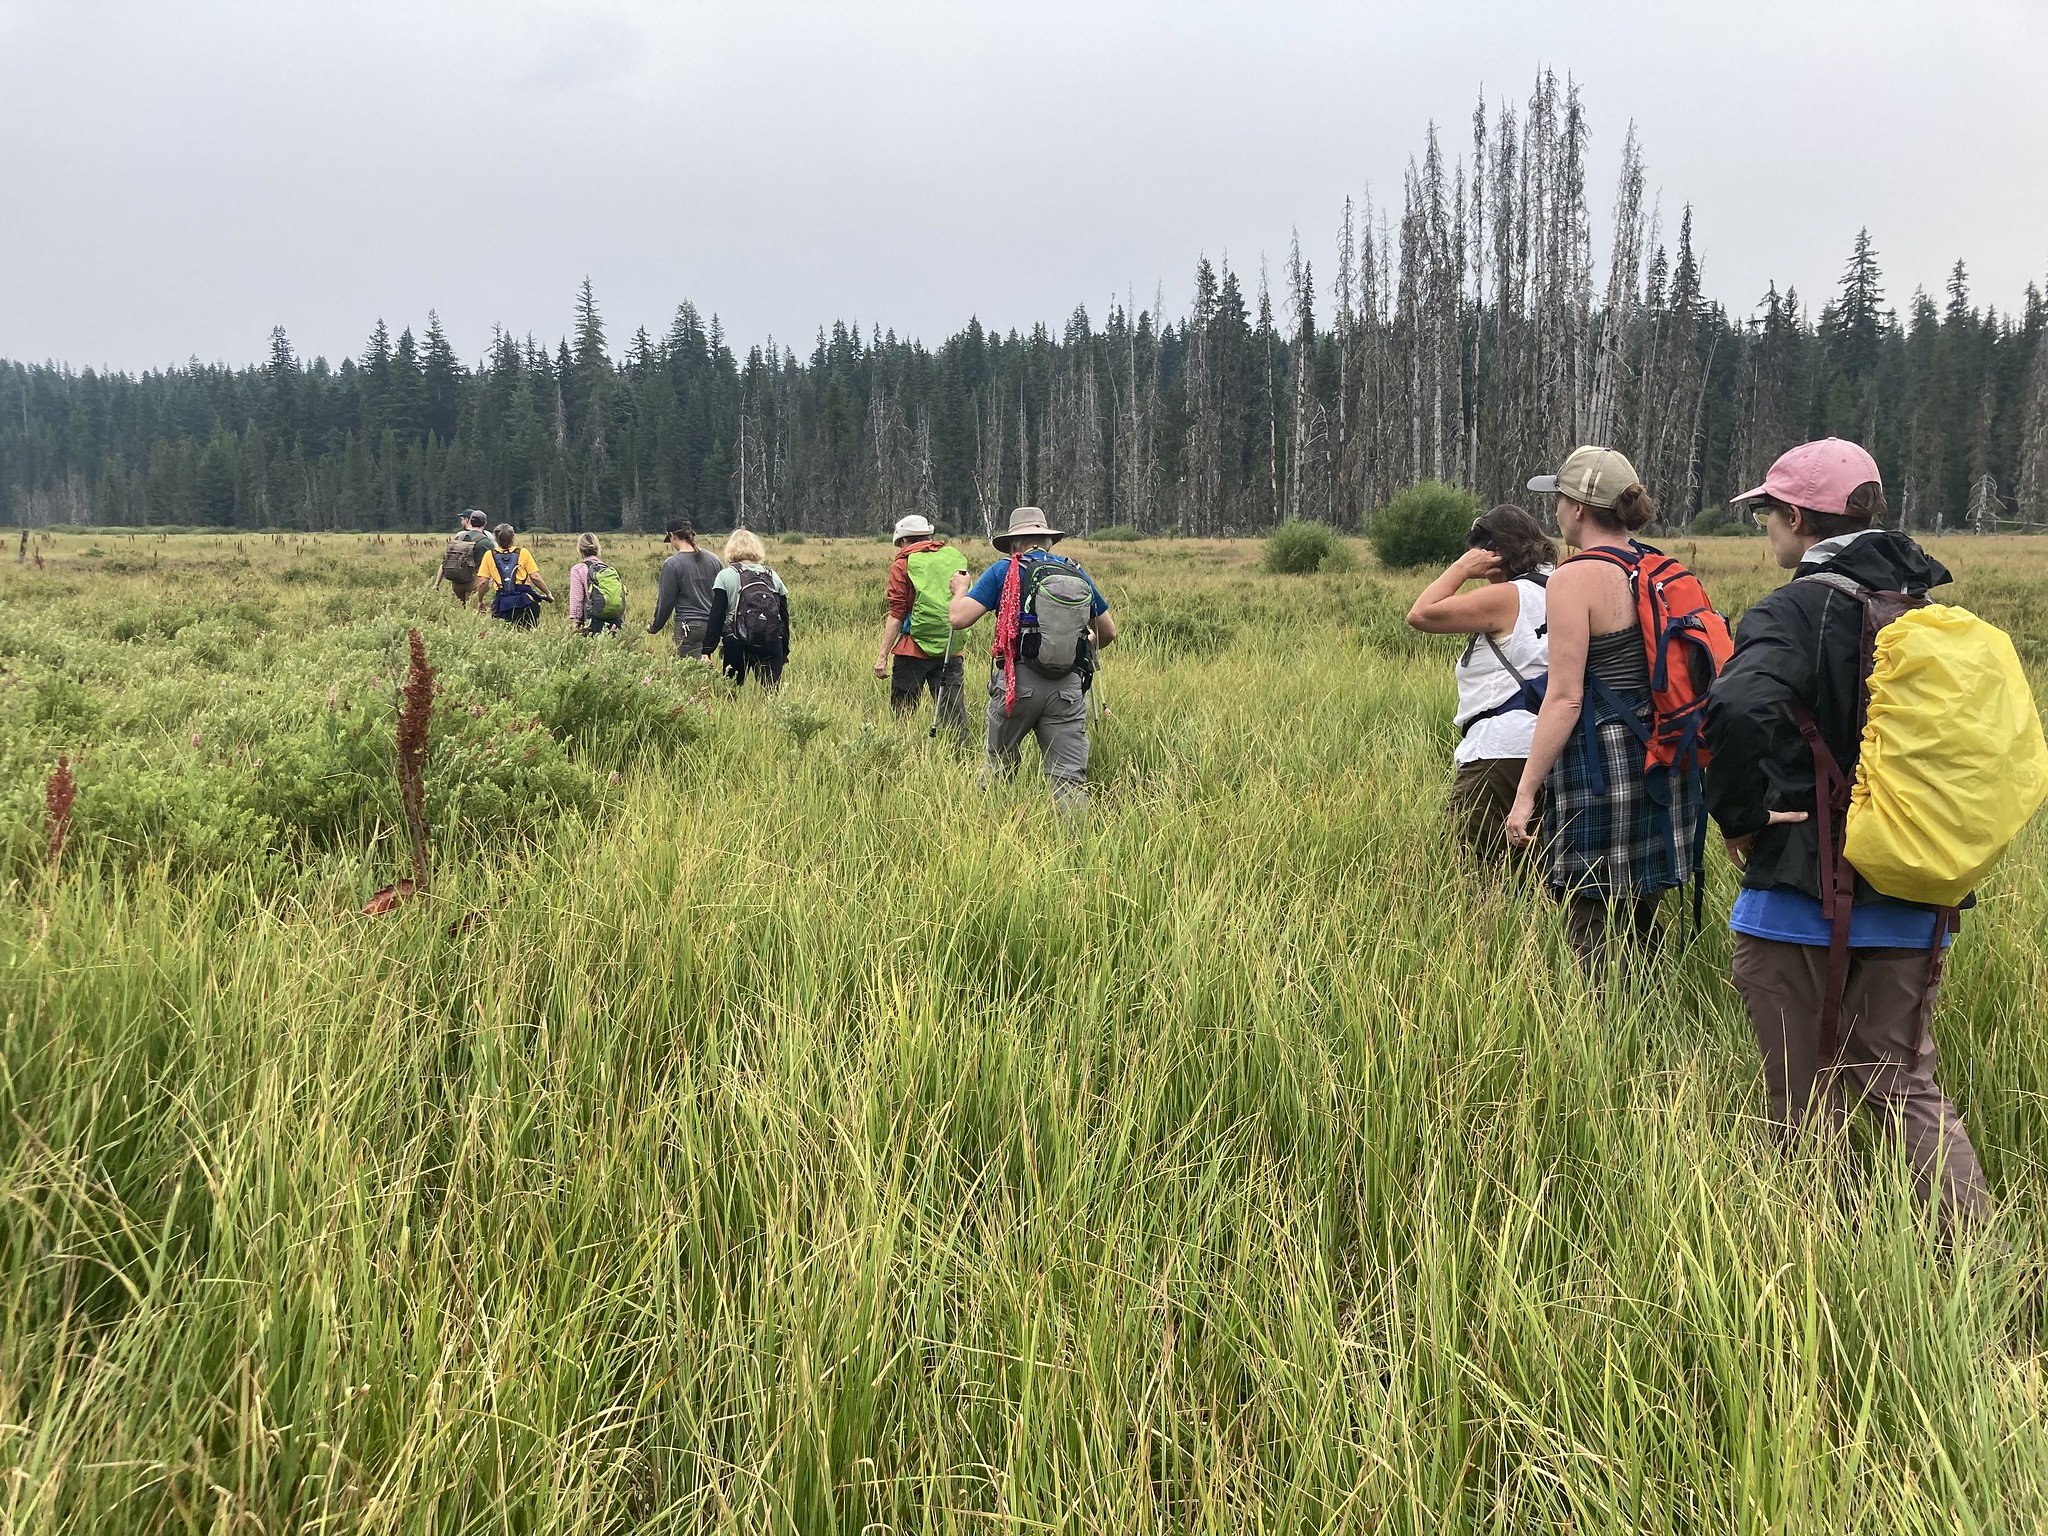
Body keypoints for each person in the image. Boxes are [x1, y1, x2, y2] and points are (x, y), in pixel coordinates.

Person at [1704, 438, 1990, 1224]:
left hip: (1800, 891)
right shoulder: (1927, 612)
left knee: (1797, 1096)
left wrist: (1742, 816)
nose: (1768, 530)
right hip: (1917, 885)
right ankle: (1983, 1263)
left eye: (1768, 515)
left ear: (1797, 517)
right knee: (1904, 1083)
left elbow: (1733, 708)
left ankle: (1807, 1270)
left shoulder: (1794, 609)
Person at [1504, 447, 1703, 975]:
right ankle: (1655, 1017)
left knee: (1590, 919)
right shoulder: (1658, 567)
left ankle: (1606, 1032)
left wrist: (1525, 796)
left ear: (1578, 508)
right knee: (1641, 912)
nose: (1556, 511)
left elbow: (1565, 697)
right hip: (1665, 758)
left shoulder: (1573, 579)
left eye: (1560, 500)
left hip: (1604, 769)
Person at [1406, 504, 1556, 860]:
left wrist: (1461, 569)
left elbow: (1421, 614)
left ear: (1495, 553)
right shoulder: (1561, 588)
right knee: (1534, 874)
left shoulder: (1508, 596)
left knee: (1470, 872)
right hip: (1551, 748)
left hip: (1498, 752)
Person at [946, 506, 1115, 814]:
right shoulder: (1074, 571)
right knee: (1068, 780)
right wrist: (1077, 643)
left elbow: (958, 619)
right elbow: (1107, 632)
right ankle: (1079, 850)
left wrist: (960, 590)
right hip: (1067, 688)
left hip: (1016, 685)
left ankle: (993, 841)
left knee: (999, 770)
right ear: (1048, 541)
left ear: (1013, 543)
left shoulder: (1003, 571)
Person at [873, 513, 971, 737]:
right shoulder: (953, 558)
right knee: (953, 715)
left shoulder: (903, 564)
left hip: (911, 649)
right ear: (928, 535)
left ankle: (902, 753)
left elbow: (897, 613)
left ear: (905, 541)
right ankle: (957, 758)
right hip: (950, 645)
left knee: (903, 715)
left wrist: (882, 655)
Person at [701, 528, 789, 686]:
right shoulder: (772, 575)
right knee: (772, 695)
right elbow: (783, 616)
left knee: (731, 691)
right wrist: (784, 650)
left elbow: (717, 616)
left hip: (736, 640)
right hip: (771, 641)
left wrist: (707, 650)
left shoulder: (725, 576)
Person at [647, 520, 724, 658]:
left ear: (672, 536)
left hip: (688, 626)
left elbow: (666, 601)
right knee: (706, 667)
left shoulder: (672, 564)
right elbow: (723, 594)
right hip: (713, 626)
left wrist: (656, 626)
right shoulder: (714, 560)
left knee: (690, 673)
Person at [474, 522, 551, 628]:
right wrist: (547, 593)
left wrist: (480, 601)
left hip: (502, 602)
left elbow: (483, 582)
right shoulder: (523, 552)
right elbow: (535, 577)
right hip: (524, 600)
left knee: (504, 634)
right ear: (513, 537)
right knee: (528, 633)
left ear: (496, 538)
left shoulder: (489, 555)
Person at [568, 532, 625, 634]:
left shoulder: (578, 569)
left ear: (580, 549)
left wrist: (575, 623)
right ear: (598, 548)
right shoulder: (608, 568)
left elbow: (577, 600)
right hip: (615, 622)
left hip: (593, 622)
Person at [438, 510, 493, 602]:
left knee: (461, 610)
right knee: (476, 612)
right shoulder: (486, 542)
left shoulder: (460, 537)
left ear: (470, 522)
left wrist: (437, 584)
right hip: (475, 582)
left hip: (457, 582)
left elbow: (445, 562)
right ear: (485, 523)